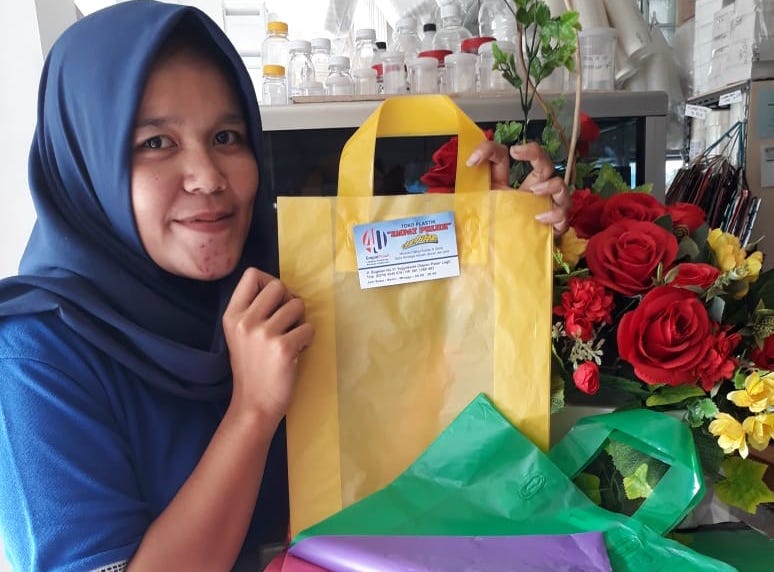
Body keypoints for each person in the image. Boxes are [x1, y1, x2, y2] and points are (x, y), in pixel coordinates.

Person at [0, 1, 569, 570]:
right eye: (156, 143)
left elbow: (417, 369)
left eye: (226, 136)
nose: (208, 177)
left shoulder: (283, 279)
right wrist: (252, 410)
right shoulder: (37, 356)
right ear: (87, 160)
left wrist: (486, 238)